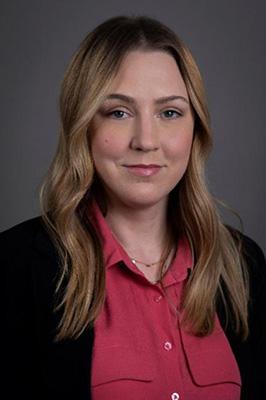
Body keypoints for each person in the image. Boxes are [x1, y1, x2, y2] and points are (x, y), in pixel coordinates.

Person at [2, 15, 265, 400]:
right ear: (83, 125)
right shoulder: (15, 266)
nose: (145, 140)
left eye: (169, 112)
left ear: (196, 129)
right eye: (119, 112)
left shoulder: (244, 266)